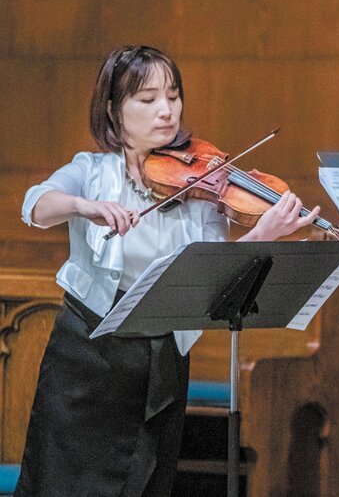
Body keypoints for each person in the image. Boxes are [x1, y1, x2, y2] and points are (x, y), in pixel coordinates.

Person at [16, 45, 320, 496]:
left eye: (173, 96)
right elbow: (36, 206)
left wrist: (266, 235)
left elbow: (216, 275)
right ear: (114, 111)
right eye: (148, 99)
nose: (167, 111)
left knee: (148, 483)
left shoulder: (203, 187)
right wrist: (85, 205)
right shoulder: (92, 171)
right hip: (87, 365)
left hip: (162, 365)